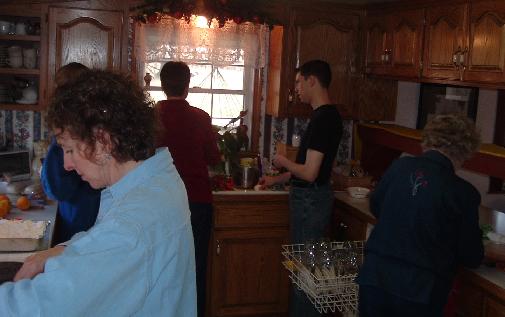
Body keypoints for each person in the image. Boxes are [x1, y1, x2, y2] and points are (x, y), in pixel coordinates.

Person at [0, 70, 197, 316]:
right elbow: (104, 239)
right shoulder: (154, 179)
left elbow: (35, 308)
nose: (66, 165)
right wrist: (61, 250)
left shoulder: (133, 226)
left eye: (69, 149)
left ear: (102, 141)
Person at [356, 113, 484, 317]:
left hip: (376, 277)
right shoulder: (463, 192)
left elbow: (376, 205)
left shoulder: (400, 167)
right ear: (465, 150)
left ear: (428, 140)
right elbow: (471, 255)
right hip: (419, 290)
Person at [260, 60, 343, 317]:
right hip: (312, 200)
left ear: (312, 81)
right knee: (305, 271)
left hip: (311, 203)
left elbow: (309, 172)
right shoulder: (324, 116)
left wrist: (283, 160)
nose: (296, 88)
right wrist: (278, 179)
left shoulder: (324, 119)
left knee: (305, 275)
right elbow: (308, 170)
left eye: (298, 81)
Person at [155, 61, 221, 317]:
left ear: (162, 85)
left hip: (161, 204)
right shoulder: (201, 117)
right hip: (196, 202)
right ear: (187, 85)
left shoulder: (151, 116)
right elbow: (213, 158)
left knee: (163, 269)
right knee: (195, 270)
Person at [41, 62, 101, 245]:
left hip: (78, 216)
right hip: (94, 213)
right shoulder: (94, 121)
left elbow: (56, 188)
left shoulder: (69, 130)